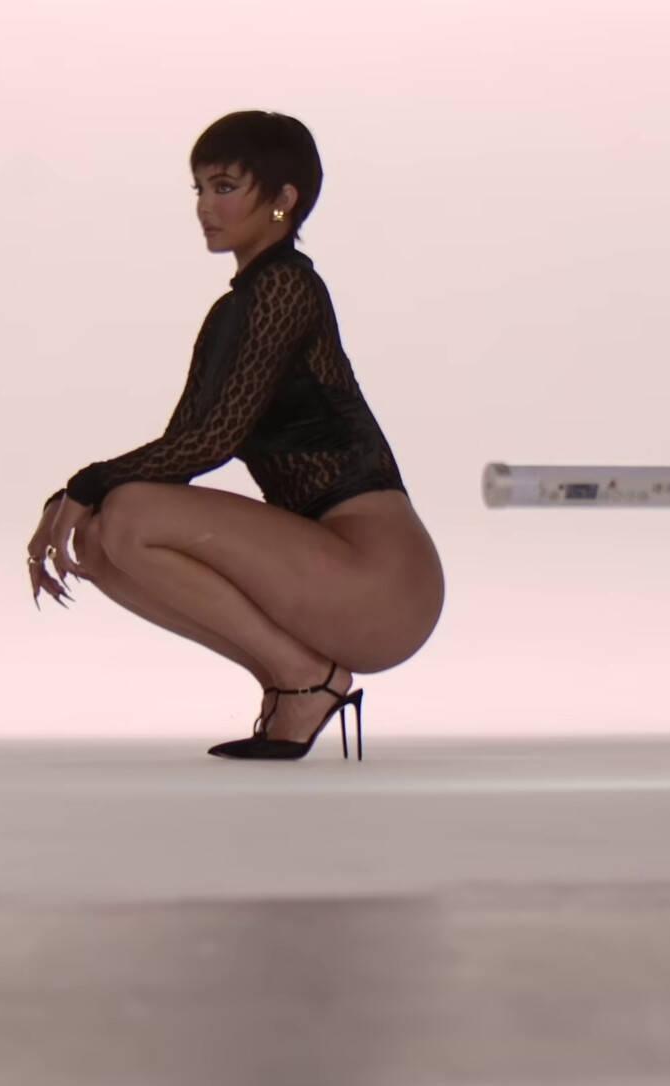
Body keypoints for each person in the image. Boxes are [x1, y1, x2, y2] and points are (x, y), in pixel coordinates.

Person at [26, 110, 445, 759]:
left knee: (128, 511)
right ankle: (292, 679)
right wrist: (70, 503)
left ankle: (306, 681)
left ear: (283, 199)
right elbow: (180, 452)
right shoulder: (235, 308)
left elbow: (211, 442)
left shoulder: (287, 287)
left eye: (224, 187)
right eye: (198, 188)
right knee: (100, 539)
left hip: (381, 579)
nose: (204, 206)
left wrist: (83, 484)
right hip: (327, 570)